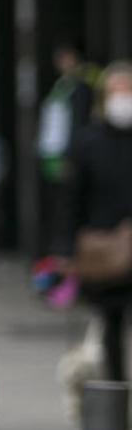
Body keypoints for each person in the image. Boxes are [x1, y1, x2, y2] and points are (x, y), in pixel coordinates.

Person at [61, 62, 132, 382]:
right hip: (105, 251)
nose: (123, 98)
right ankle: (116, 398)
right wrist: (65, 249)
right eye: (117, 91)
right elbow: (72, 198)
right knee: (110, 326)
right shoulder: (89, 142)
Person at [38, 42, 96, 252]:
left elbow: (78, 123)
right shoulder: (61, 85)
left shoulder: (80, 88)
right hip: (53, 155)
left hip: (67, 155)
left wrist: (72, 155)